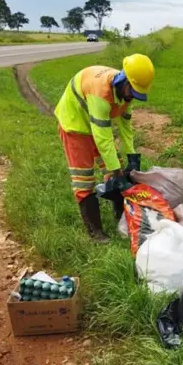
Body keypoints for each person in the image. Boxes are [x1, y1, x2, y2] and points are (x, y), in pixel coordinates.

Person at [54, 54, 155, 242]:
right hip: (75, 125)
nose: (132, 97)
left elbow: (126, 128)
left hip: (96, 124)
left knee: (116, 168)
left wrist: (132, 158)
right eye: (133, 92)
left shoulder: (126, 91)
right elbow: (103, 139)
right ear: (125, 81)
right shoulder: (100, 93)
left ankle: (120, 217)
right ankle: (95, 232)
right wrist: (116, 171)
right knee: (84, 181)